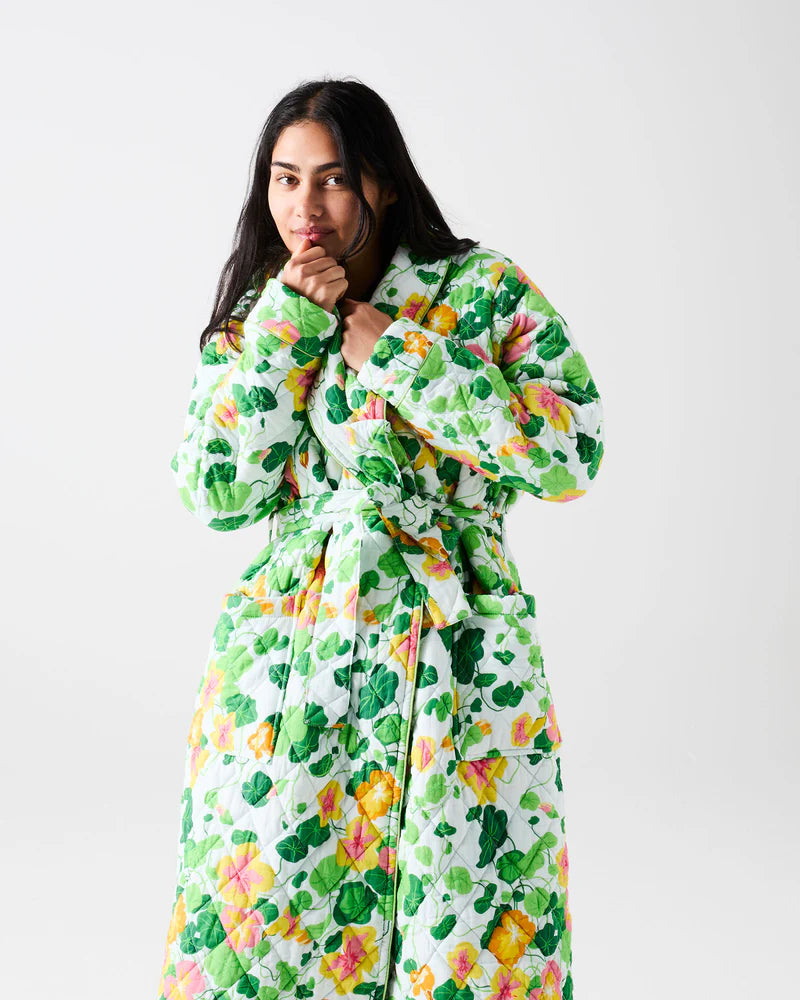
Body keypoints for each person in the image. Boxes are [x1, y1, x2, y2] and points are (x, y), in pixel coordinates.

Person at [157, 77, 604, 1000]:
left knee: (472, 927)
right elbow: (217, 494)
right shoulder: (255, 316)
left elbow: (571, 453)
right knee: (263, 926)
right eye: (286, 179)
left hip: (456, 653)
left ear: (385, 183)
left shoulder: (482, 292)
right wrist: (287, 334)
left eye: (332, 178)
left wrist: (400, 353)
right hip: (292, 656)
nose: (305, 207)